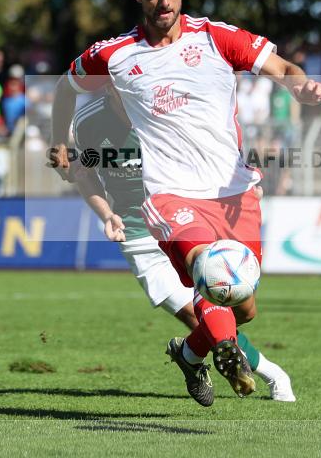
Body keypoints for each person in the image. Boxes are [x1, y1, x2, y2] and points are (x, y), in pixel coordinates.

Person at [51, 0, 321, 406]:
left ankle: (188, 353)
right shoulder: (114, 54)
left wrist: (300, 88)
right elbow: (65, 86)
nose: (164, 2)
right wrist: (60, 141)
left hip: (234, 191)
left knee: (243, 306)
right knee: (208, 270)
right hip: (170, 194)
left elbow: (283, 67)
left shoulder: (217, 37)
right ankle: (234, 361)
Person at [70, 87, 295, 401]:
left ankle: (188, 355)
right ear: (109, 88)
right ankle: (274, 375)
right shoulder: (89, 121)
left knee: (241, 309)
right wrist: (106, 213)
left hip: (186, 214)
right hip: (137, 230)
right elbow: (83, 173)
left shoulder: (171, 110)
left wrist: (244, 182)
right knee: (198, 315)